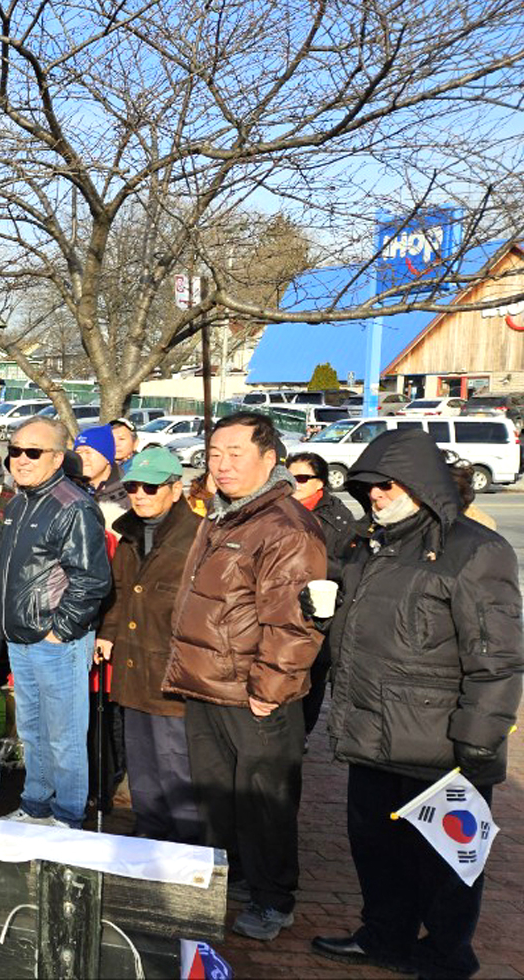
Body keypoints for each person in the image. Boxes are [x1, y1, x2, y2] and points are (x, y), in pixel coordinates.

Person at [312, 428, 522, 979]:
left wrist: (478, 739)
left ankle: (446, 958)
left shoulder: (475, 550)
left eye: (386, 484)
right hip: (371, 734)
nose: (375, 495)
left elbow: (495, 656)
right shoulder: (365, 544)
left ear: (421, 485)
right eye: (367, 485)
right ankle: (384, 938)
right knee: (377, 851)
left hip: (441, 745)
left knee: (449, 865)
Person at [165, 411, 325, 942]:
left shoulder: (284, 527)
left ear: (270, 459)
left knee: (263, 801)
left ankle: (273, 898)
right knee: (218, 795)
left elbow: (296, 621)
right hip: (209, 681)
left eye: (236, 453)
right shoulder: (224, 516)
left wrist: (269, 691)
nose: (223, 464)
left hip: (253, 693)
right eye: (215, 453)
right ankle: (232, 880)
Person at [0, 416, 112, 830]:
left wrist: (59, 630)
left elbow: (91, 579)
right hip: (21, 639)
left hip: (56, 642)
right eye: (14, 451)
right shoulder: (17, 503)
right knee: (32, 732)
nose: (21, 460)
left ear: (58, 457)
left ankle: (67, 815)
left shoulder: (74, 506)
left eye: (33, 452)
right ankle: (36, 804)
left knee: (64, 736)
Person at [94, 448, 202, 843]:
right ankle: (150, 838)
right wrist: (108, 633)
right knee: (141, 765)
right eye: (133, 487)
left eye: (150, 487)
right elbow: (120, 594)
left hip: (173, 675)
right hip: (133, 669)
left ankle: (187, 847)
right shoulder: (130, 537)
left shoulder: (198, 539)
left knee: (177, 767)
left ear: (176, 489)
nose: (139, 495)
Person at [286, 451, 358, 736]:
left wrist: (313, 566)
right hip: (281, 606)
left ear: (320, 483)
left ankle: (301, 733)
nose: (295, 483)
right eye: (290, 477)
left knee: (313, 674)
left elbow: (347, 567)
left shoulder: (338, 518)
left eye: (302, 478)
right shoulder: (276, 510)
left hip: (320, 611)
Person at [72, 424, 129, 526]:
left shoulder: (129, 492)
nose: (82, 459)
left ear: (107, 458)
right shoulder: (70, 490)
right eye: (78, 453)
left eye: (87, 452)